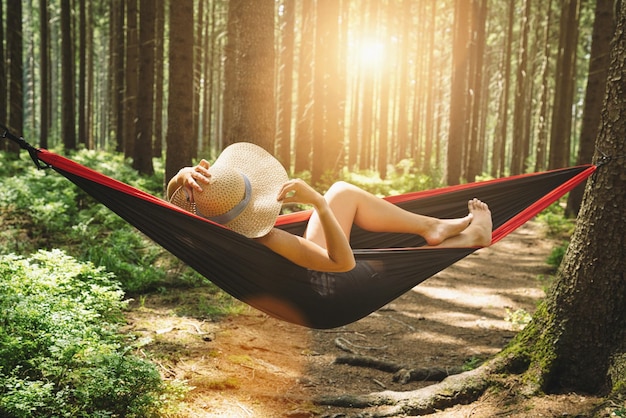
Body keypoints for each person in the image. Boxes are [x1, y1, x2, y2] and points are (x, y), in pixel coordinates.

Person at [167, 142, 492, 274]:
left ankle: (447, 233)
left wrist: (181, 178)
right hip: (325, 285)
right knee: (339, 193)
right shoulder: (265, 238)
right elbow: (342, 264)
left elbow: (167, 210)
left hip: (305, 265)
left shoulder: (207, 220)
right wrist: (319, 204)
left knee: (342, 192)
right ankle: (432, 228)